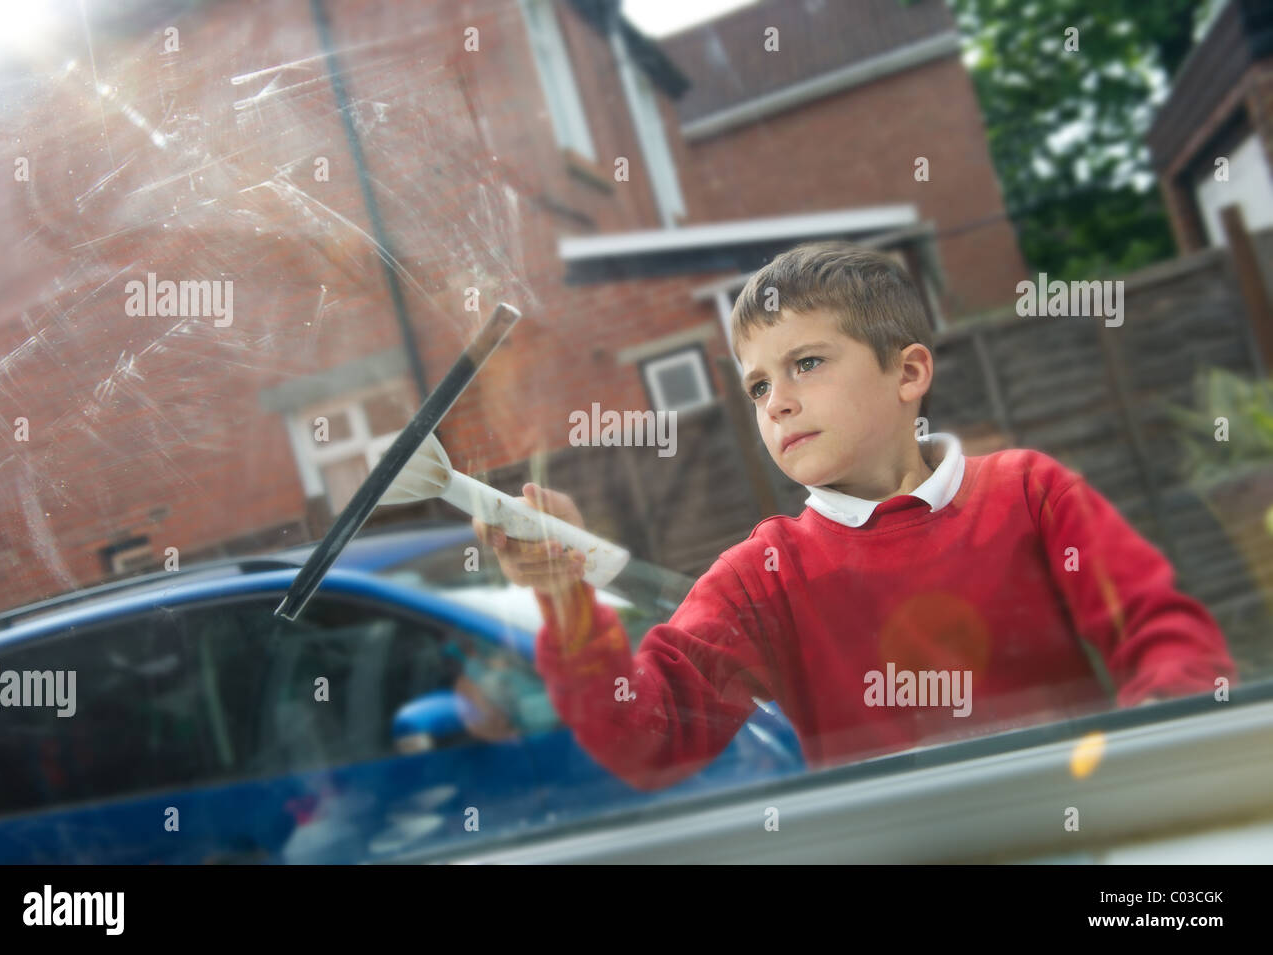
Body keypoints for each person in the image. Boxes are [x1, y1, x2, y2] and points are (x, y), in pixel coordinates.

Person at [473, 242, 1237, 791]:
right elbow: (647, 741)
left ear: (907, 372)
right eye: (757, 386)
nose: (778, 401)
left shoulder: (1031, 493)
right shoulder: (760, 576)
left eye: (805, 363)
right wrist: (566, 598)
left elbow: (1164, 636)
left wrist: (1147, 767)